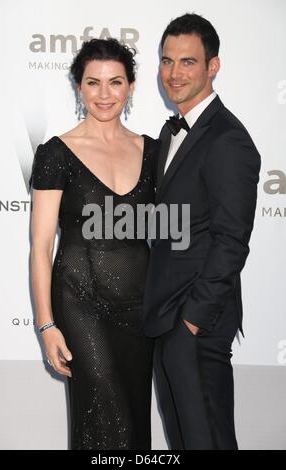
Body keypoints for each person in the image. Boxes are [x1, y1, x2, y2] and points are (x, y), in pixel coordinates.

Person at [29, 38, 158, 450]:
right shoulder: (56, 153)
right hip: (80, 302)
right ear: (79, 87)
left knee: (135, 418)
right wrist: (46, 324)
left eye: (115, 82)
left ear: (131, 87)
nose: (105, 95)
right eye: (93, 83)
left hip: (140, 307)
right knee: (104, 414)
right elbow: (41, 243)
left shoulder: (154, 151)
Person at [143, 13, 261, 449]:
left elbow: (232, 242)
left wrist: (191, 322)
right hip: (166, 316)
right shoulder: (169, 131)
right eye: (167, 60)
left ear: (213, 66)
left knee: (207, 437)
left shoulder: (228, 139)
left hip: (196, 322)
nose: (174, 73)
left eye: (188, 62)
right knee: (183, 439)